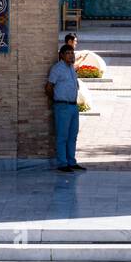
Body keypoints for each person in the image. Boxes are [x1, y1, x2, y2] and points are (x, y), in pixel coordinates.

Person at [45, 44, 85, 172]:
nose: (71, 56)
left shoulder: (72, 68)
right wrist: (56, 100)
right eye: (68, 53)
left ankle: (71, 161)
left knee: (72, 135)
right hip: (62, 106)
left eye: (72, 53)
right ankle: (62, 163)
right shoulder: (57, 69)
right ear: (61, 55)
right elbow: (49, 87)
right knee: (62, 136)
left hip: (73, 106)